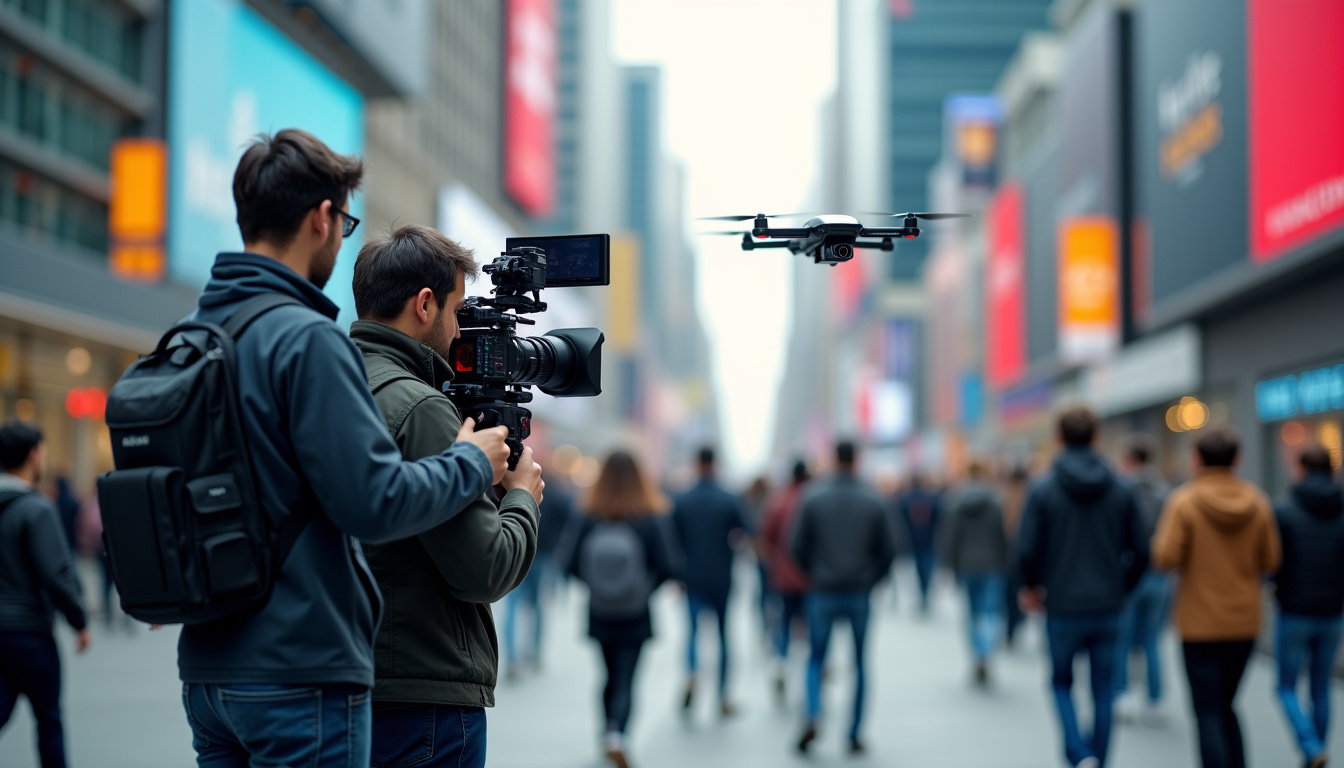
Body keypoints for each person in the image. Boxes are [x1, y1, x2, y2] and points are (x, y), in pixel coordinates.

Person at [176, 129, 512, 767]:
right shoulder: (306, 340)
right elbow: (373, 499)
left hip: (209, 673)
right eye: (345, 219)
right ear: (323, 219)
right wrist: (470, 463)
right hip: (297, 674)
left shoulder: (201, 336)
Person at [348, 224, 546, 768]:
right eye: (459, 310)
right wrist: (522, 497)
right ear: (426, 304)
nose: (462, 329)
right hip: (422, 700)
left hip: (343, 684)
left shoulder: (326, 383)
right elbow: (483, 568)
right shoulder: (420, 409)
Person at [1018, 406, 1147, 768]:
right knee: (1104, 688)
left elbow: (1026, 548)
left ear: (1058, 439)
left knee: (1061, 682)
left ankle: (1078, 753)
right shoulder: (1122, 488)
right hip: (1108, 603)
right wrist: (1124, 587)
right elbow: (1142, 549)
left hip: (1060, 604)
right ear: (1096, 437)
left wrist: (1030, 587)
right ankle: (1098, 758)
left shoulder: (1042, 489)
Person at [1152, 427, 1279, 768]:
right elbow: (1271, 560)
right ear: (1237, 460)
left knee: (1207, 710)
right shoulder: (1258, 501)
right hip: (1244, 620)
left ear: (1196, 460)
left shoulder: (1184, 501)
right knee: (1227, 704)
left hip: (1199, 622)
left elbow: (1164, 557)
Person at [558, 450, 680, 768]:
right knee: (627, 676)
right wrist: (642, 590)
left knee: (608, 674)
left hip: (599, 611)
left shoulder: (589, 513)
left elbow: (568, 563)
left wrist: (598, 587)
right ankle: (618, 734)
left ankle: (607, 732)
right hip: (635, 613)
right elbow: (670, 565)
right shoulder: (650, 515)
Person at [790, 440, 898, 755]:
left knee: (815, 657)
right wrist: (872, 578)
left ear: (833, 459)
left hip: (823, 590)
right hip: (859, 591)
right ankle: (854, 732)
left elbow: (796, 545)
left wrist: (814, 574)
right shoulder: (873, 498)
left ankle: (813, 712)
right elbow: (889, 549)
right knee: (861, 663)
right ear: (858, 459)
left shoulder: (813, 497)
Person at [0, 420, 90, 768]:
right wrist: (79, 621)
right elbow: (56, 573)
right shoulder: (36, 509)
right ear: (35, 455)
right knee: (49, 720)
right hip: (29, 632)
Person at [1272, 444, 1344, 768]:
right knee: (1320, 687)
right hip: (1332, 611)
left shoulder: (1284, 510)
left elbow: (1273, 563)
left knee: (1286, 686)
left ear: (1300, 469)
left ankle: (1311, 746)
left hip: (1294, 610)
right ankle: (1314, 752)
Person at [670, 446, 750, 716]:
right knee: (724, 637)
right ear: (715, 464)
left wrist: (677, 575)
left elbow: (673, 541)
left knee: (692, 633)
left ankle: (692, 673)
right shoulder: (729, 499)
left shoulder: (682, 500)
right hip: (721, 578)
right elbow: (746, 532)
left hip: (691, 578)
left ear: (696, 464)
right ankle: (723, 696)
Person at [1113, 437, 1173, 725]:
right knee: (1151, 640)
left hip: (1129, 572)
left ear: (1130, 460)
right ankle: (1155, 699)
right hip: (1159, 574)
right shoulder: (1166, 493)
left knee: (1123, 639)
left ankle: (1123, 695)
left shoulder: (1123, 492)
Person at [940, 458, 1009, 686]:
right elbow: (1002, 535)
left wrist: (947, 565)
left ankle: (978, 652)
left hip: (966, 565)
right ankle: (986, 648)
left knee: (971, 613)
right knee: (990, 611)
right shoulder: (995, 501)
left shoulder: (955, 501)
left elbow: (950, 536)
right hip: (992, 564)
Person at [504, 475, 575, 677]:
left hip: (515, 551)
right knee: (538, 607)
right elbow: (569, 520)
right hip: (542, 555)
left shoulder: (511, 488)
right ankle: (534, 653)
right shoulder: (553, 492)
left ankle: (513, 658)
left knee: (513, 606)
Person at [758, 459, 811, 701]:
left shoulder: (778, 502)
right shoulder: (814, 500)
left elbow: (765, 540)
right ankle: (814, 671)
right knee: (812, 628)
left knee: (783, 623)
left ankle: (780, 661)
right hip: (812, 578)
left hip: (783, 576)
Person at [896, 473, 941, 614]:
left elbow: (900, 522)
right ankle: (925, 595)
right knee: (927, 569)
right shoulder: (932, 499)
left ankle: (923, 595)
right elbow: (938, 520)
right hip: (928, 541)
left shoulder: (905, 499)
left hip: (913, 541)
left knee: (919, 570)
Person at [1001, 463, 1031, 646]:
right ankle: (1018, 620)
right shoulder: (1032, 496)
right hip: (1024, 554)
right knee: (1021, 589)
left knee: (1009, 594)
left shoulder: (1003, 497)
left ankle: (1011, 625)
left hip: (1006, 555)